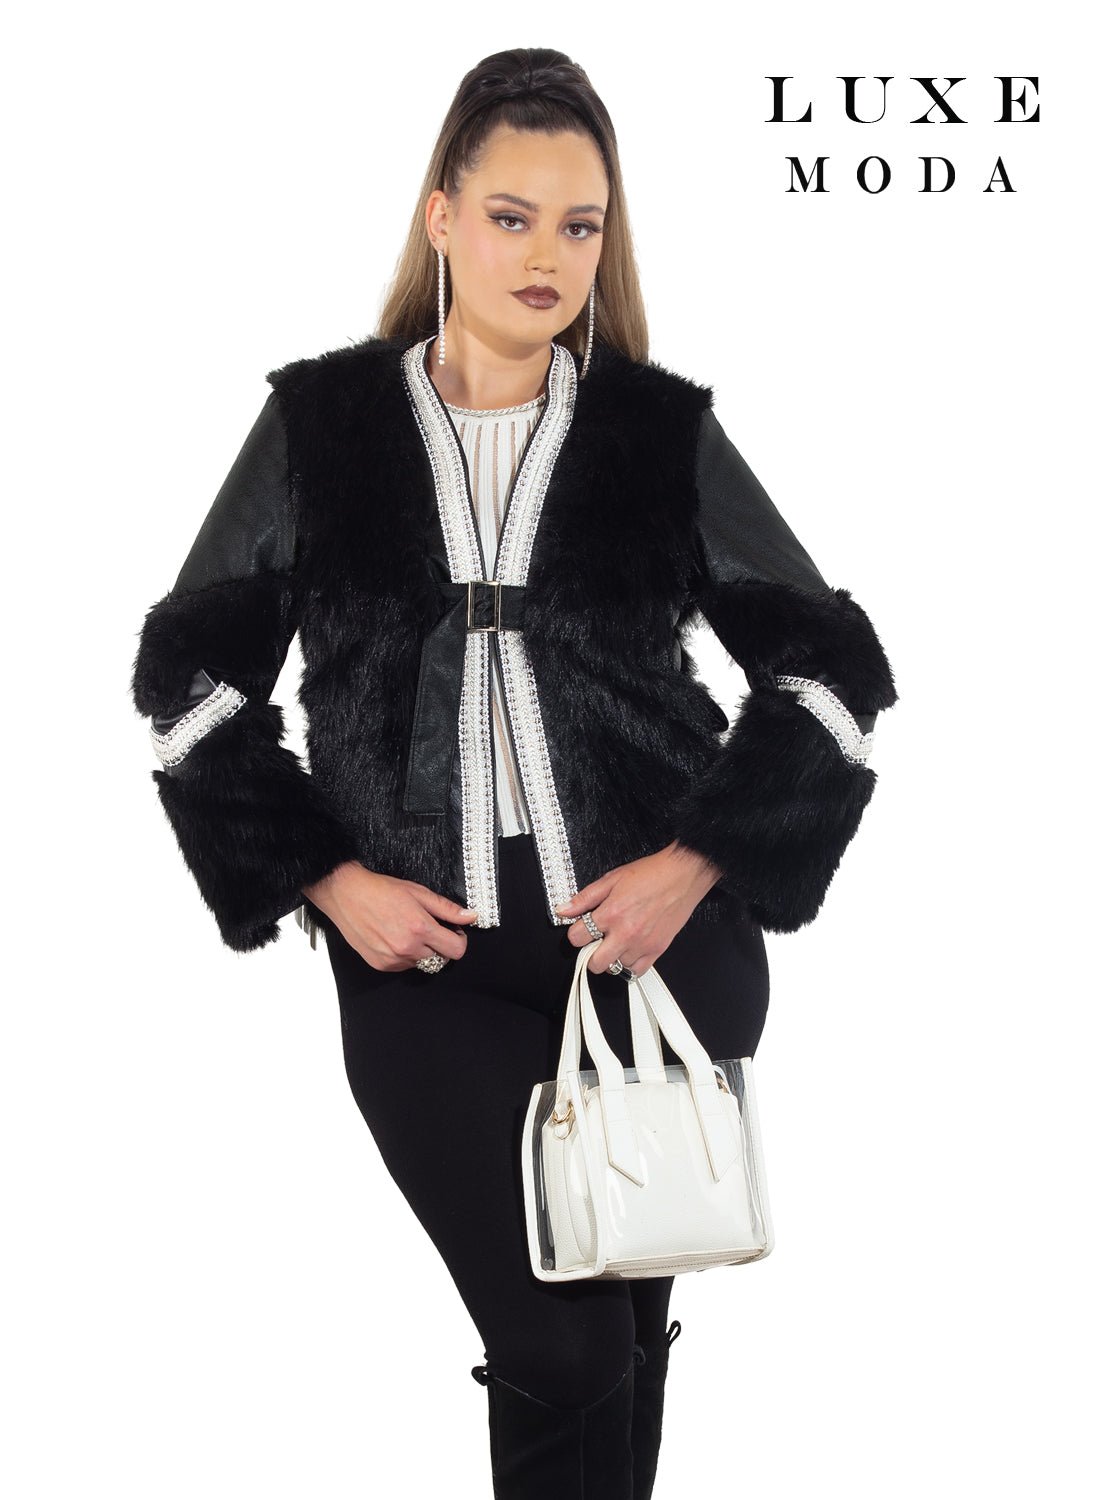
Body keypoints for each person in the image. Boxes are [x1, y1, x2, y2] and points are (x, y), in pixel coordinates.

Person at [130, 46, 898, 1500]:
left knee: (624, 1334)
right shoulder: (322, 429)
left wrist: (697, 863)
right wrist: (326, 877)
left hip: (660, 955)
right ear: (442, 217)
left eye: (579, 225)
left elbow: (832, 675)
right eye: (511, 216)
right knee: (561, 1345)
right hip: (429, 964)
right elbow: (189, 685)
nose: (547, 255)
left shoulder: (655, 435)